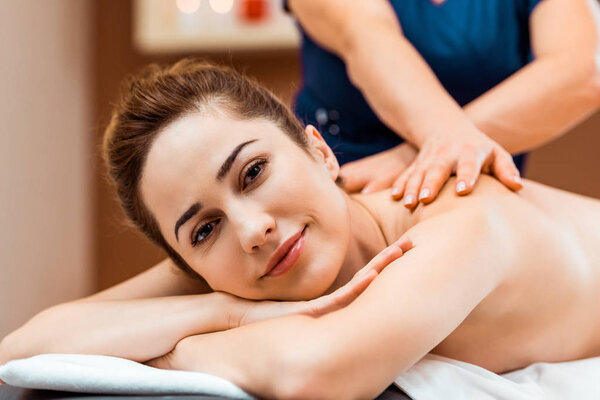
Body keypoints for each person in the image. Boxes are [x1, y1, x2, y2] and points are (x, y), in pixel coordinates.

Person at [1, 60, 599, 399]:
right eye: (203, 232)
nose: (252, 228)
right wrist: (227, 314)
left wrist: (181, 345)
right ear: (190, 266)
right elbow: (25, 347)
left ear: (321, 153)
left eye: (253, 172)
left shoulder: (461, 226)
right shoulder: (252, 250)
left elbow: (313, 373)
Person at [285, 0, 600, 209]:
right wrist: (448, 145)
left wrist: (416, 157)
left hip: (473, 203)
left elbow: (582, 72)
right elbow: (367, 38)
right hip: (345, 194)